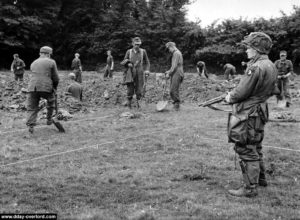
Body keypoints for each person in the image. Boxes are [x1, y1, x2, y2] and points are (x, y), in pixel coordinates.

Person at [225, 32, 277, 197]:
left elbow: (241, 93)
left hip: (249, 113)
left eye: (249, 47)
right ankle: (260, 179)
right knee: (256, 146)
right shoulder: (271, 65)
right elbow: (274, 90)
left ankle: (249, 188)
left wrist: (229, 97)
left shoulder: (255, 67)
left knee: (246, 148)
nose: (247, 50)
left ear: (257, 48)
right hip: (260, 112)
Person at [26, 46, 59, 133]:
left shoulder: (33, 62)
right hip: (46, 87)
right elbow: (56, 78)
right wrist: (55, 87)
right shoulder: (51, 62)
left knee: (32, 107)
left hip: (32, 87)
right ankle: (49, 119)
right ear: (48, 54)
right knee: (51, 102)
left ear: (40, 53)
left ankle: (31, 125)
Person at [122, 37, 150, 108]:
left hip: (140, 73)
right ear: (132, 44)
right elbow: (124, 61)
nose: (137, 46)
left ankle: (138, 105)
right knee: (130, 89)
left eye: (138, 44)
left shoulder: (143, 51)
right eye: (136, 44)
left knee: (139, 89)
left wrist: (147, 70)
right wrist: (128, 64)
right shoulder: (129, 52)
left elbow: (147, 62)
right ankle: (129, 104)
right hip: (130, 72)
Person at [165, 42, 184, 111]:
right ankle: (175, 104)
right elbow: (174, 65)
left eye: (169, 48)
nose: (169, 50)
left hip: (177, 73)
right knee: (172, 90)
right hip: (175, 72)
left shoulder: (176, 53)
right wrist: (168, 71)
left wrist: (169, 73)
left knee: (173, 90)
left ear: (171, 47)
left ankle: (177, 105)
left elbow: (175, 66)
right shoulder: (176, 53)